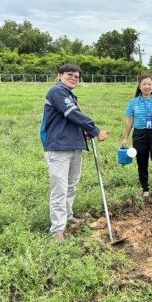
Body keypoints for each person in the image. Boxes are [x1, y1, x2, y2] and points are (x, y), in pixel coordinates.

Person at [40, 63, 110, 242]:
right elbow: (74, 115)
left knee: (71, 184)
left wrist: (83, 132)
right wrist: (95, 130)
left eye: (77, 77)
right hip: (59, 148)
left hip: (74, 145)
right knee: (60, 188)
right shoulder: (57, 92)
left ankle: (68, 215)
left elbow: (68, 121)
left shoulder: (70, 95)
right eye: (69, 75)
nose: (73, 78)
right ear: (59, 75)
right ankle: (57, 229)